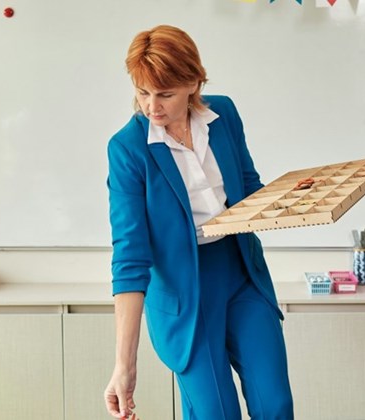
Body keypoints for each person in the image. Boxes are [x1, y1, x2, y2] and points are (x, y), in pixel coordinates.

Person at [104, 25, 294, 420]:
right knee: (216, 414)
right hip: (182, 291)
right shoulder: (127, 149)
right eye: (142, 92)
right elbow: (130, 258)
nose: (151, 107)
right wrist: (125, 366)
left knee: (274, 405)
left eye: (165, 94)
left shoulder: (224, 115)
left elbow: (248, 186)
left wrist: (294, 201)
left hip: (242, 271)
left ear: (193, 81)